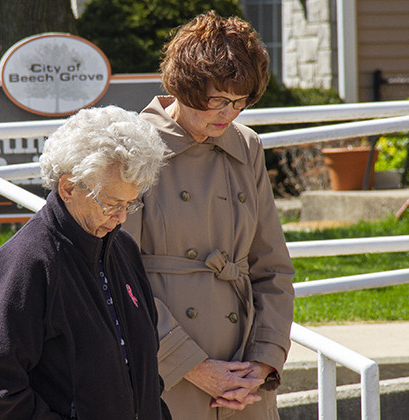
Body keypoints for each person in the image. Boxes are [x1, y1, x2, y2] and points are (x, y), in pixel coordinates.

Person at [124, 11, 295, 420]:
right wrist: (193, 366)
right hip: (165, 372)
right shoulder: (133, 146)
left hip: (244, 380)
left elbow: (271, 267)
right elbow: (120, 278)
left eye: (240, 101)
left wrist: (263, 363)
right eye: (217, 100)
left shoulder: (247, 146)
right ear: (185, 86)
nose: (228, 113)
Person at [0, 106, 171, 420]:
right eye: (111, 204)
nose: (122, 217)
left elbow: (143, 370)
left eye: (130, 203)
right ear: (69, 187)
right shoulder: (27, 262)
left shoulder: (123, 249)